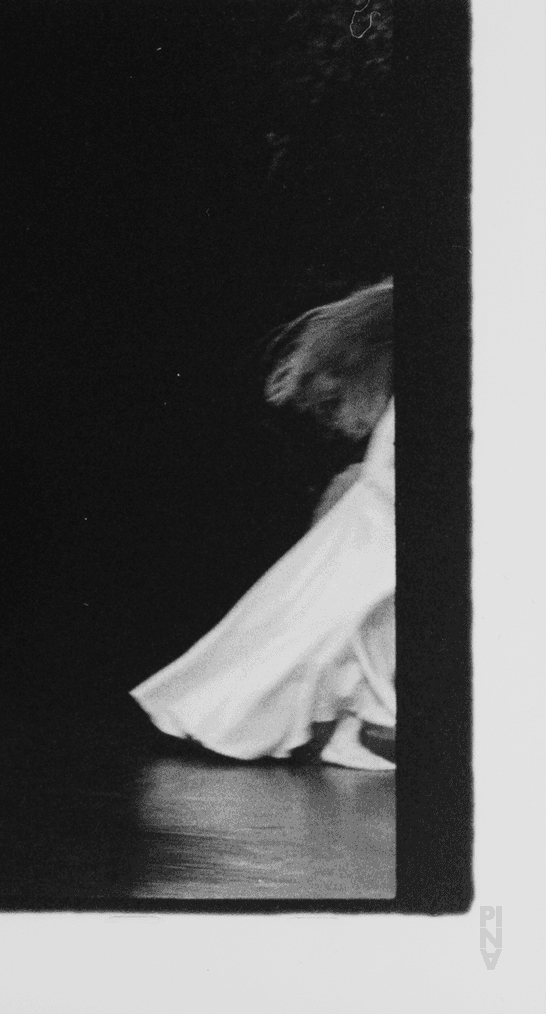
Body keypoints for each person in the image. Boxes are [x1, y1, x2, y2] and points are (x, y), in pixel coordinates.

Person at [131, 280, 395, 771]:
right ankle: (222, 712)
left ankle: (361, 726)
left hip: (388, 502)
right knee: (333, 614)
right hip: (386, 505)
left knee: (357, 615)